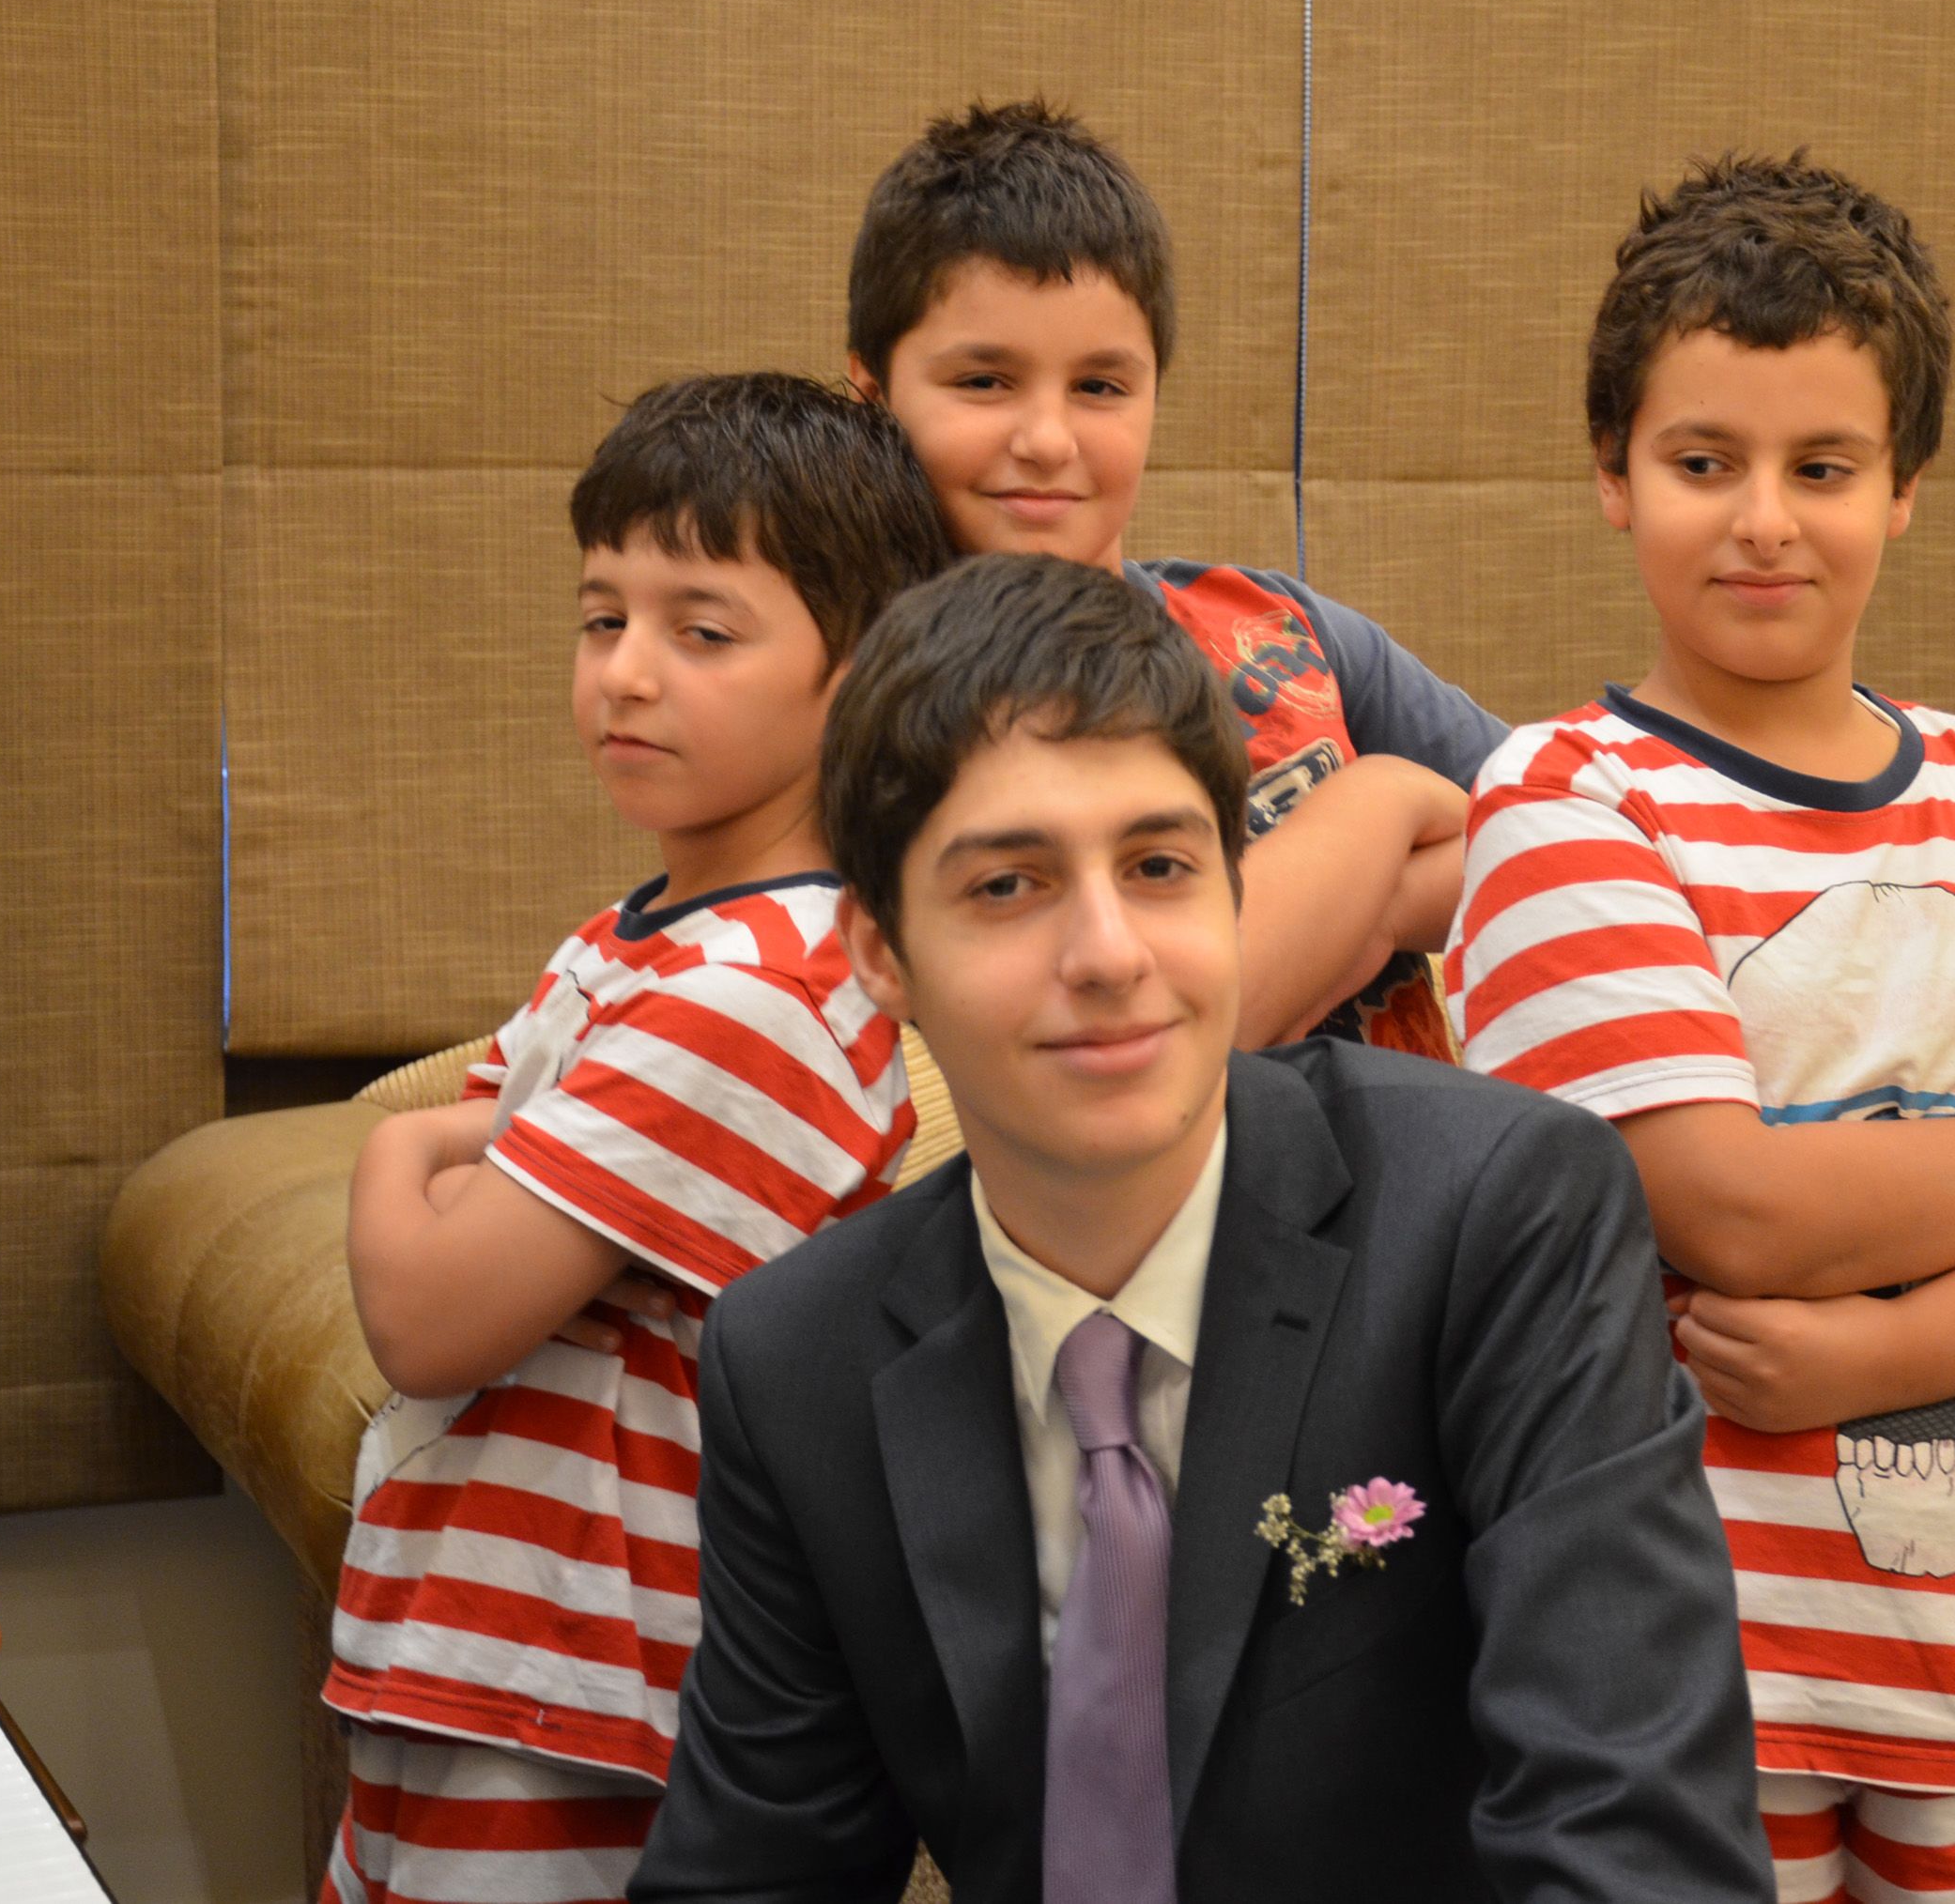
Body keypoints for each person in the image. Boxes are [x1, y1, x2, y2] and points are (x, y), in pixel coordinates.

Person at [631, 552, 1776, 1903]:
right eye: (1009, 885)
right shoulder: (798, 1358)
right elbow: (750, 1876)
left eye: (1161, 864)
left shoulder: (1496, 1214)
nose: (1110, 951)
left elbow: (1638, 1845)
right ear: (880, 952)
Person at [1450, 153, 1955, 1904]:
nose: (1765, 519)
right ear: (1611, 476)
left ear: (1907, 491)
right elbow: (1719, 1204)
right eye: (1702, 462)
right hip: (1685, 1678)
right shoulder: (1569, 798)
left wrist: (1885, 1356)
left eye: (1824, 467)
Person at [322, 373, 954, 1904]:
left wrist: (390, 1158)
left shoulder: (756, 990)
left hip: (585, 1678)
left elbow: (429, 1312)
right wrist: (460, 1159)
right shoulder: (639, 940)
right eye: (604, 616)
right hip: (480, 1641)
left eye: (703, 628)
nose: (627, 671)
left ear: (857, 673)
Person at [846, 100, 1504, 1055]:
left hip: (1421, 1192)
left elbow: (1569, 843)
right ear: (874, 393)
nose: (1045, 439)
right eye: (983, 382)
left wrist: (1374, 905)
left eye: (1100, 385)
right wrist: (1379, 811)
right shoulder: (863, 709)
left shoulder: (1282, 629)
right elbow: (1172, 1022)